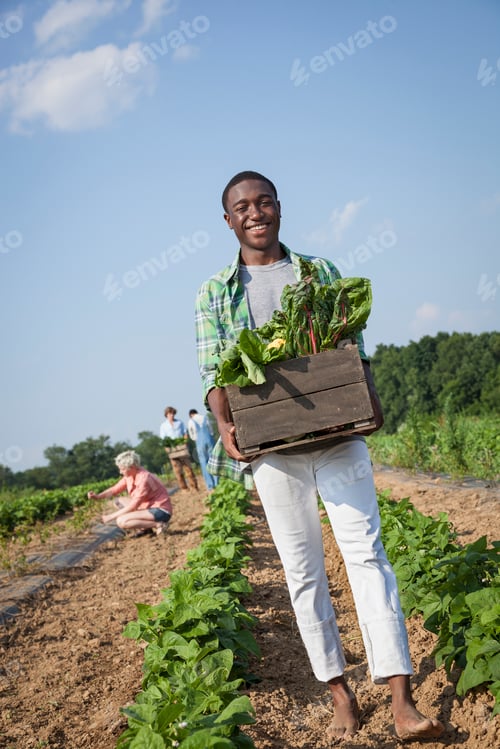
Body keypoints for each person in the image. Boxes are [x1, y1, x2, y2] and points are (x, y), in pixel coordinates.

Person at [194, 170, 444, 742]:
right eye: (242, 207)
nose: (254, 213)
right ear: (228, 219)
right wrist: (224, 420)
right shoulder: (214, 292)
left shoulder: (318, 272)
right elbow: (213, 373)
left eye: (264, 202)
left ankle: (402, 700)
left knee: (368, 555)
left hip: (337, 437)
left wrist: (369, 394)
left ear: (279, 208)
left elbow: (351, 346)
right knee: (303, 572)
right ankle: (340, 694)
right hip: (274, 450)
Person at [87, 450, 172, 537]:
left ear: (131, 467)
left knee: (121, 521)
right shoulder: (130, 476)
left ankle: (158, 524)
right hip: (147, 507)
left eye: (122, 469)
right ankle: (145, 528)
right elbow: (114, 490)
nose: (120, 472)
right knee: (118, 501)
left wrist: (110, 517)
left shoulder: (144, 478)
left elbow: (133, 506)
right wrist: (97, 496)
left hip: (160, 511)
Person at [159, 406, 199, 491]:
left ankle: (194, 486)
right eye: (170, 414)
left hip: (182, 449)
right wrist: (167, 448)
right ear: (166, 415)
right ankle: (184, 488)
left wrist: (184, 441)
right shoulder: (163, 426)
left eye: (173, 413)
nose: (172, 415)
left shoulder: (179, 423)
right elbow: (164, 439)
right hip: (173, 450)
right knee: (178, 471)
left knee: (188, 469)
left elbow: (185, 433)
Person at [187, 409, 218, 491]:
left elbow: (192, 435)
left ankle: (210, 486)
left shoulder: (191, 421)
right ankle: (217, 482)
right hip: (209, 440)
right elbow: (211, 430)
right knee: (213, 461)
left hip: (200, 443)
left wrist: (195, 439)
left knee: (204, 463)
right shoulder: (204, 417)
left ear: (190, 415)